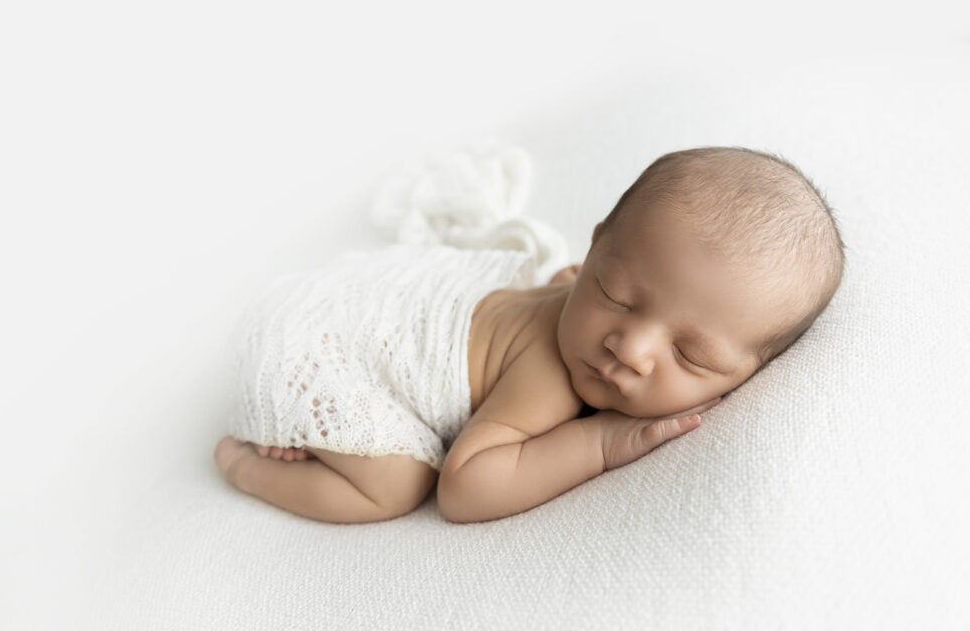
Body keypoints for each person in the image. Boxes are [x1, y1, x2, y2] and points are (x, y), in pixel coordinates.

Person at [213, 146, 846, 524]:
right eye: (615, 294)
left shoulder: (586, 304)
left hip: (359, 301)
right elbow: (465, 488)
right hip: (316, 345)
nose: (629, 347)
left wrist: (595, 294)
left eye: (689, 354)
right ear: (596, 244)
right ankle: (244, 467)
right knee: (395, 485)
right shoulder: (548, 373)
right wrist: (599, 443)